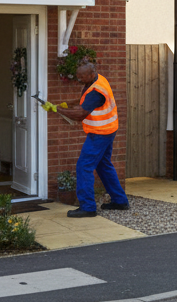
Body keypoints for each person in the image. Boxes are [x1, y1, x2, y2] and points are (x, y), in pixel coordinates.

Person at [51, 61, 130, 218]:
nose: (78, 78)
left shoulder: (96, 92)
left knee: (84, 166)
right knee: (103, 165)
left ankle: (87, 207)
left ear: (91, 74)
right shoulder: (98, 80)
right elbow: (83, 100)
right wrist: (67, 104)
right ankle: (120, 201)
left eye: (81, 76)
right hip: (108, 130)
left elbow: (80, 114)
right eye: (77, 75)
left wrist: (58, 109)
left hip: (100, 133)